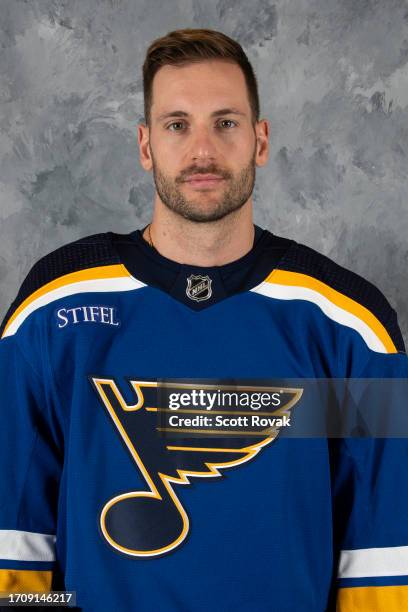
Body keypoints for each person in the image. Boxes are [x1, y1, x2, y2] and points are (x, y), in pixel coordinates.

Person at [0, 28, 407, 612]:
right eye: (177, 125)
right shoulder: (53, 308)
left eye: (226, 122)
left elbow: (383, 554)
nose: (202, 153)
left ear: (260, 140)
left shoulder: (351, 326)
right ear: (145, 146)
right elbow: (16, 541)